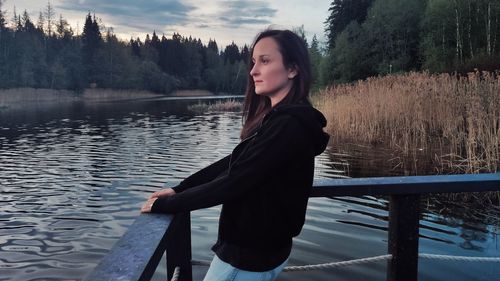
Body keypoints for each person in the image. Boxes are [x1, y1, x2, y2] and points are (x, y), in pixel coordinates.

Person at [141, 29, 330, 281]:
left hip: (249, 256)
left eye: (265, 61)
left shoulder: (288, 125)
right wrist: (179, 189)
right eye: (253, 62)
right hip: (260, 249)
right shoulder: (282, 119)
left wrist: (165, 204)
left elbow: (234, 181)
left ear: (293, 69)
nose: (253, 71)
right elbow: (234, 162)